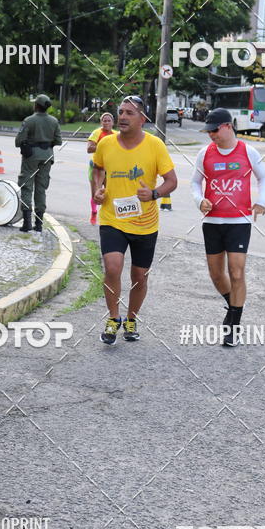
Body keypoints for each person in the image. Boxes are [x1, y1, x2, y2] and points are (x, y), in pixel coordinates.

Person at [91, 95, 177, 345]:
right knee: (112, 267)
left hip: (144, 222)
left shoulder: (155, 145)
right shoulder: (106, 144)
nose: (123, 116)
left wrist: (153, 194)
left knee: (139, 276)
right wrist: (97, 189)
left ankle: (131, 318)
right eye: (121, 111)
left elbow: (172, 181)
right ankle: (113, 318)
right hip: (112, 218)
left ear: (143, 119)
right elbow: (97, 168)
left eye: (129, 112)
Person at [191, 108, 265, 348]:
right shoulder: (205, 154)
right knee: (216, 275)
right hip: (213, 221)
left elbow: (263, 177)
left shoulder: (248, 151)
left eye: (214, 130)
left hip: (239, 221)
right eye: (208, 131)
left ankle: (233, 325)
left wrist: (261, 202)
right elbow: (195, 182)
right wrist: (199, 201)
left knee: (236, 272)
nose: (211, 135)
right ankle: (232, 303)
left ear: (227, 126)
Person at [15, 94, 62, 233]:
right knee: (41, 189)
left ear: (36, 106)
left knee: (27, 186)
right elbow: (58, 141)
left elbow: (19, 141)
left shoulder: (29, 120)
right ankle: (39, 225)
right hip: (47, 156)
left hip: (31, 157)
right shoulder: (54, 121)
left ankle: (27, 223)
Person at [86, 112, 116, 224]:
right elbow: (89, 148)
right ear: (101, 122)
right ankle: (94, 213)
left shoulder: (116, 134)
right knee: (95, 193)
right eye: (104, 120)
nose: (106, 123)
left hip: (110, 168)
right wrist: (104, 145)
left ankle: (108, 216)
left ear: (113, 122)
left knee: (110, 193)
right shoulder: (96, 133)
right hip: (96, 167)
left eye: (109, 120)